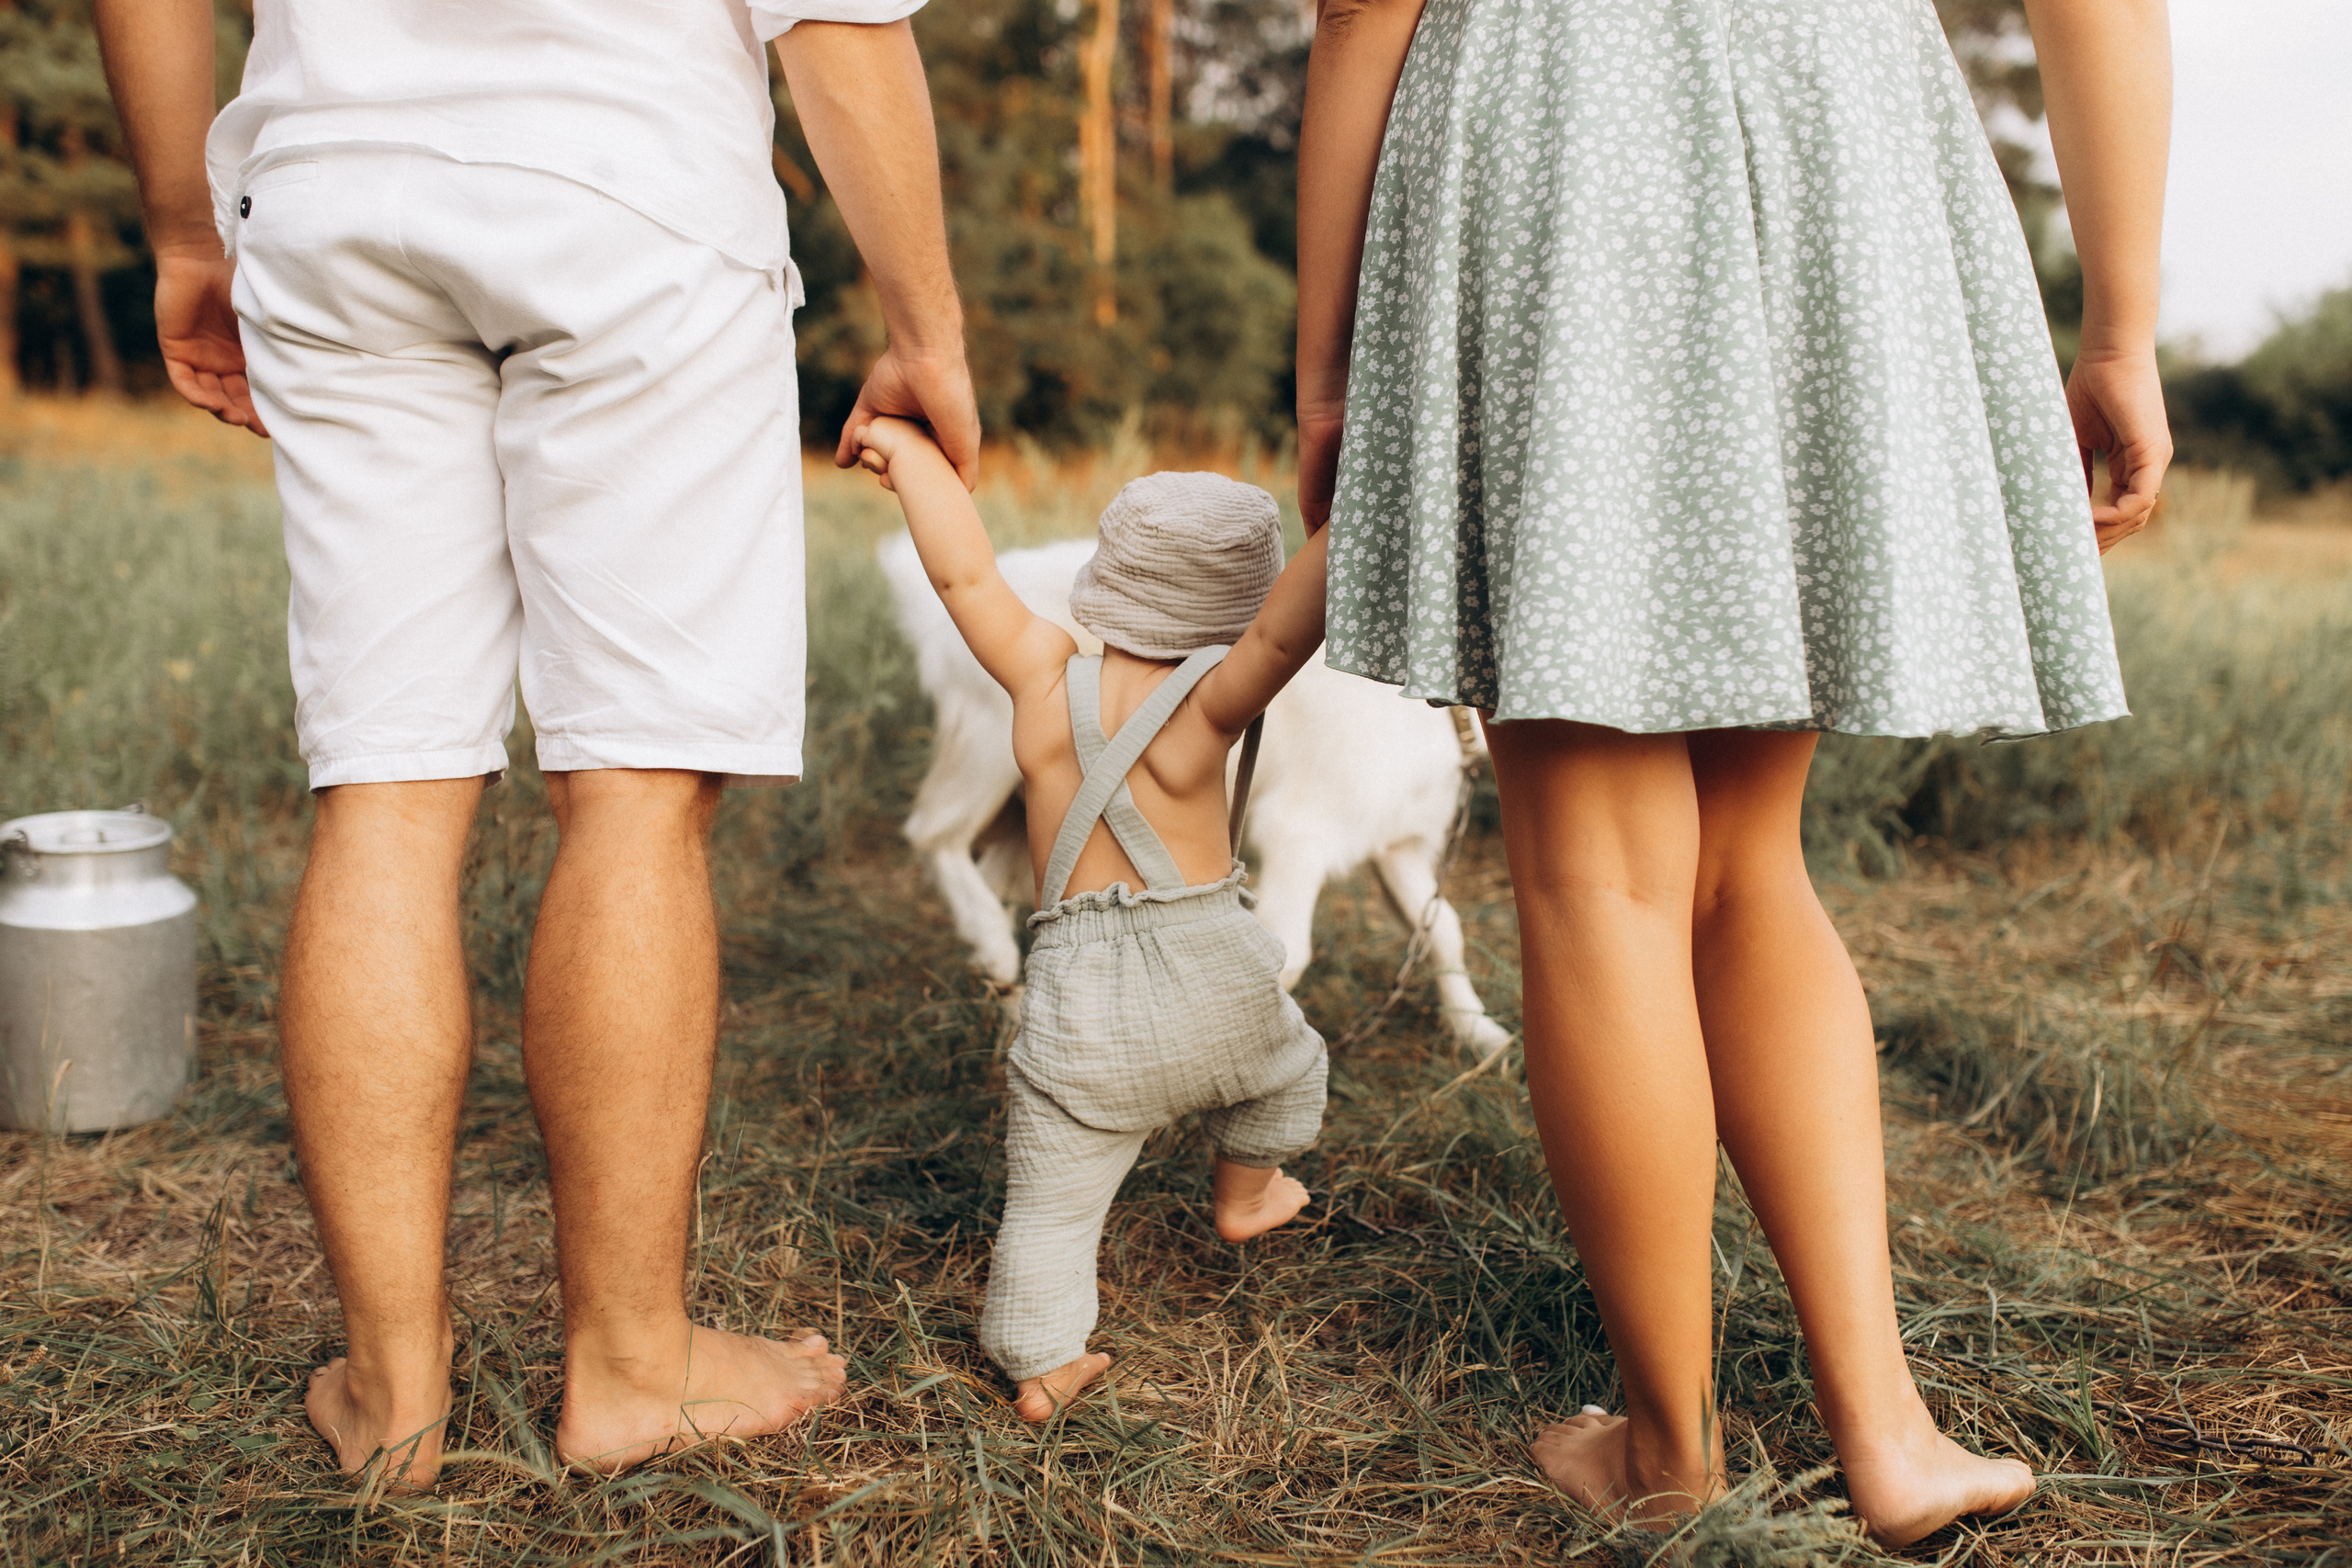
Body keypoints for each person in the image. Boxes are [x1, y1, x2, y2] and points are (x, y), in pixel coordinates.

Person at [1295, 0, 2171, 1547]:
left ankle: (1665, 1454)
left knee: (1600, 870)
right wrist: (2121, 326)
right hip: (1833, 124)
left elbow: (1365, 6)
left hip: (1559, 124)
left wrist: (1323, 371)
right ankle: (1885, 1430)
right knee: (1747, 856)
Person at [91, 0, 978, 1488]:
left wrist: (188, 229)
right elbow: (837, 19)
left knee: (383, 782)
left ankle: (393, 1389)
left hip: (336, 188)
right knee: (633, 794)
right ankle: (633, 1363)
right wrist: (925, 330)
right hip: (638, 190)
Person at [853, 419, 1331, 1420]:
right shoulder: (1209, 710)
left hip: (1077, 1008)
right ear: (1227, 614)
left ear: (1104, 578)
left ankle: (1042, 1362)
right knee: (1290, 1077)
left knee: (1053, 1210)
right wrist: (1372, 488)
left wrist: (916, 464)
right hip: (1217, 982)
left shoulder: (1038, 677)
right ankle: (1245, 1195)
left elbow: (968, 580)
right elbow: (1288, 631)